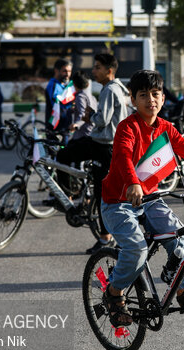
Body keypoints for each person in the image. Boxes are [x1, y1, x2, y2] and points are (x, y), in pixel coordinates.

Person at [99, 69, 184, 326]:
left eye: (155, 94)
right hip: (118, 202)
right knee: (136, 250)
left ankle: (183, 289)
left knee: (181, 240)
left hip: (150, 199)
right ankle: (114, 292)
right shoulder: (127, 127)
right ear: (133, 99)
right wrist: (133, 183)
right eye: (143, 95)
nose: (150, 100)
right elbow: (122, 157)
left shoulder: (166, 128)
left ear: (163, 98)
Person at [55, 53, 129, 254]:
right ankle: (73, 194)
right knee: (65, 155)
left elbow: (102, 120)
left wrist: (89, 116)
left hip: (102, 146)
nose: (93, 71)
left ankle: (104, 237)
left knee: (101, 192)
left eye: (97, 67)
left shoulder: (108, 90)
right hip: (105, 144)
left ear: (109, 71)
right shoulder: (121, 88)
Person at [45, 59, 75, 133]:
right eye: (64, 71)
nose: (67, 74)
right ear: (56, 70)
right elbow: (57, 104)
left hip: (65, 126)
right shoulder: (53, 85)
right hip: (56, 128)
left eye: (69, 71)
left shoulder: (64, 84)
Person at [68, 70, 97, 142]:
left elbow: (82, 114)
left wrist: (76, 124)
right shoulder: (92, 97)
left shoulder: (80, 97)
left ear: (74, 84)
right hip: (92, 132)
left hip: (83, 134)